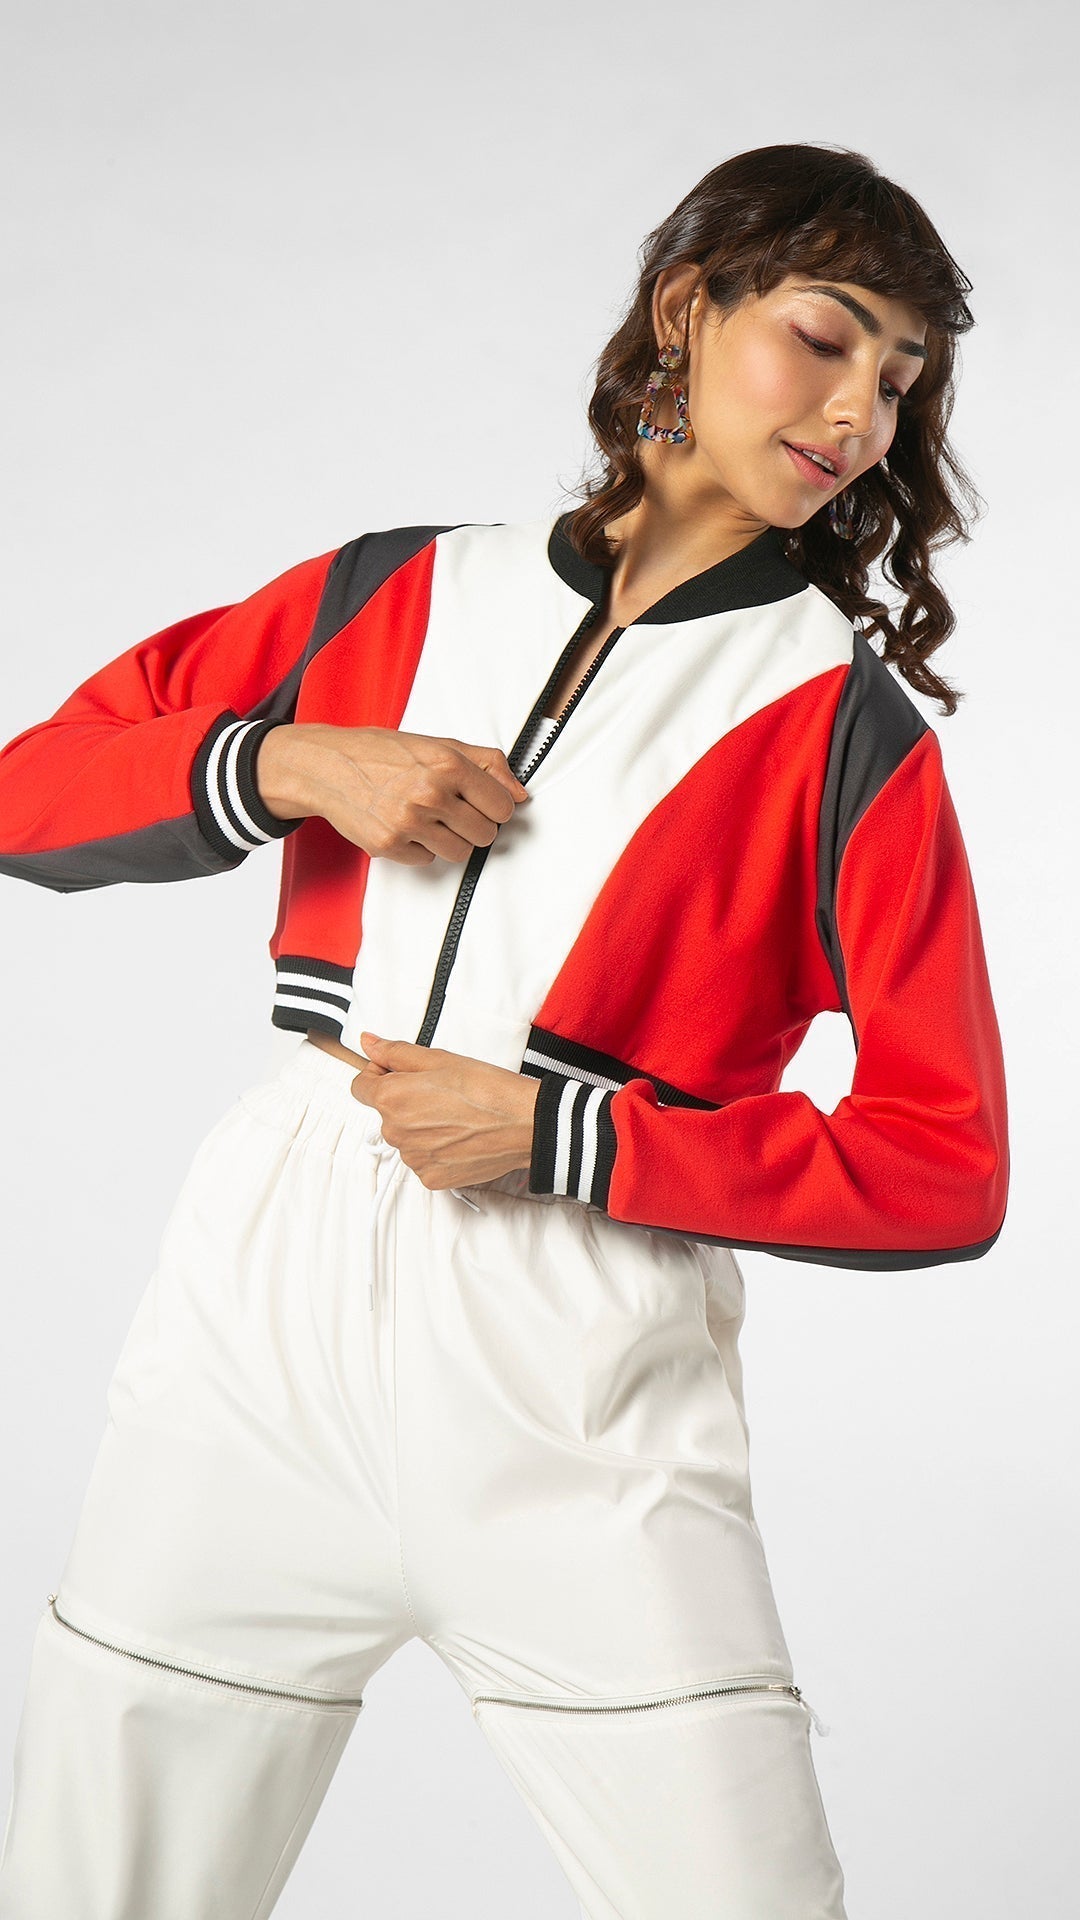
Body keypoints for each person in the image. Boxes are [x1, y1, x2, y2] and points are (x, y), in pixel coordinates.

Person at [0, 141, 1008, 1918]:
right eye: (826, 335)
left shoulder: (846, 731)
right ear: (686, 309)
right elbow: (32, 791)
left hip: (579, 1369)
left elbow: (944, 1163)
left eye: (902, 375)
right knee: (104, 1884)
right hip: (258, 1333)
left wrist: (564, 1138)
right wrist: (289, 762)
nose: (862, 409)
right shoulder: (387, 591)